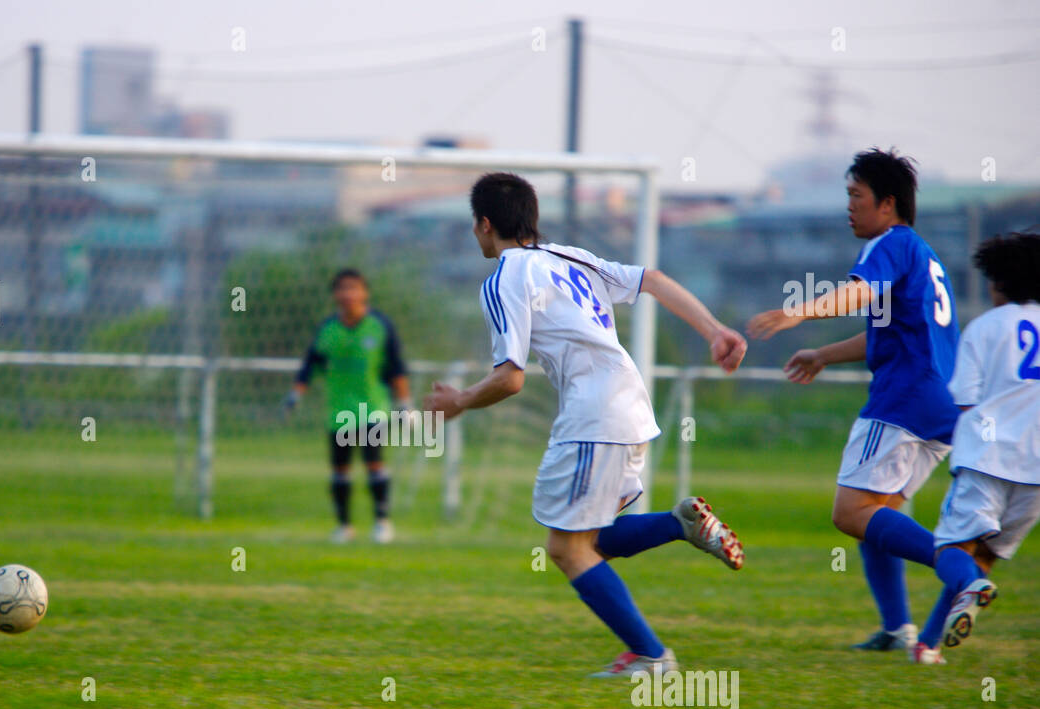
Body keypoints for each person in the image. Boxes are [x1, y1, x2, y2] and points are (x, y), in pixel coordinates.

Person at [425, 172, 747, 677]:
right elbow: (654, 280)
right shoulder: (572, 256)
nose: (475, 234)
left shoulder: (506, 277)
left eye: (474, 225)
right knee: (598, 536)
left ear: (485, 225)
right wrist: (716, 329)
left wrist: (459, 402)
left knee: (566, 548)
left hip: (594, 415)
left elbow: (509, 379)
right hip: (632, 405)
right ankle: (679, 524)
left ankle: (651, 655)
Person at [748, 149, 960, 653]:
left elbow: (860, 293)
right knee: (879, 518)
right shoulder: (924, 255)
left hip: (902, 401)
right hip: (940, 405)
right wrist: (823, 354)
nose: (849, 208)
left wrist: (799, 312)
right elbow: (888, 333)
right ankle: (897, 628)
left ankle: (961, 566)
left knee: (850, 513)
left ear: (887, 204)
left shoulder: (889, 245)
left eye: (855, 197)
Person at [909, 231, 1040, 663]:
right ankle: (928, 645)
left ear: (998, 282)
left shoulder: (985, 327)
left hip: (988, 460)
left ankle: (969, 587)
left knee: (952, 550)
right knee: (983, 556)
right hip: (1036, 473)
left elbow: (964, 399)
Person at [285, 269, 410, 543]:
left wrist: (404, 404)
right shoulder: (328, 329)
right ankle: (344, 526)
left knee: (374, 465)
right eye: (342, 288)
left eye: (354, 288)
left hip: (373, 408)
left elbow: (396, 367)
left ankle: (382, 522)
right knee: (340, 470)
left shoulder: (379, 326)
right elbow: (310, 365)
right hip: (339, 412)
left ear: (365, 292)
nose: (348, 293)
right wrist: (296, 394)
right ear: (334, 294)